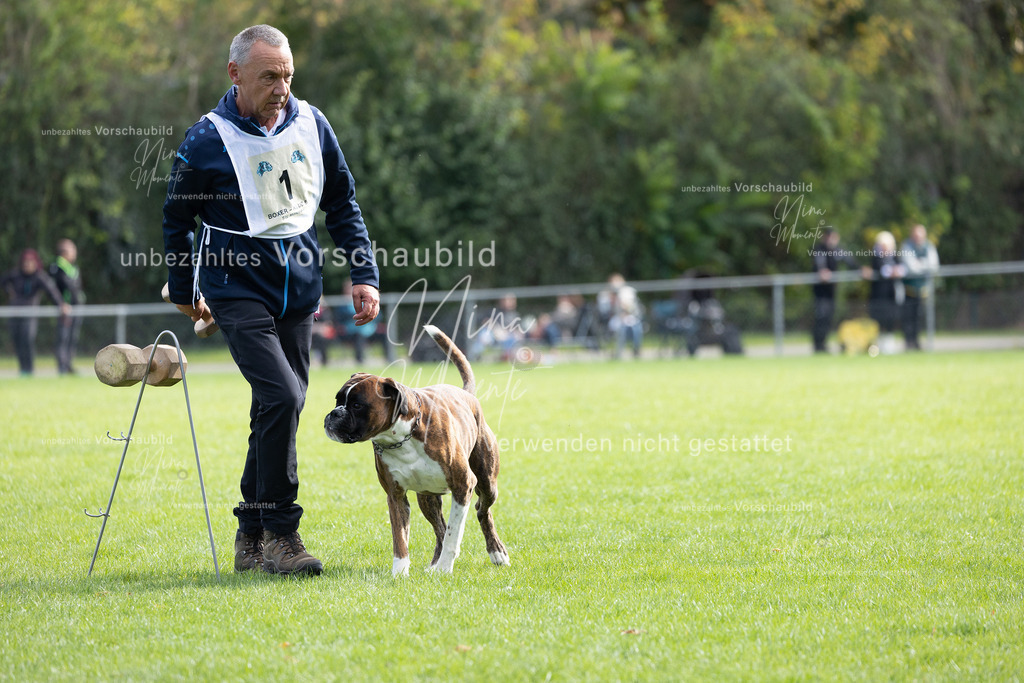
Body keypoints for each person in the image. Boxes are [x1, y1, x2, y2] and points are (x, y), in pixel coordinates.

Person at [162, 25, 380, 576]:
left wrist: (364, 272)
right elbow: (176, 221)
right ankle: (283, 535)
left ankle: (249, 533)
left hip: (299, 288)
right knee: (283, 396)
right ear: (235, 75)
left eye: (287, 74)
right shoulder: (205, 139)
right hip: (234, 287)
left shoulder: (313, 123)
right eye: (268, 76)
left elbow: (341, 203)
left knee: (277, 407)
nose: (281, 86)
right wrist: (188, 292)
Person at [2, 249, 69, 376]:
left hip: (30, 314)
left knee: (27, 340)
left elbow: (52, 291)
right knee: (17, 341)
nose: (27, 265)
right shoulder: (15, 275)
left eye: (30, 262)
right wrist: (9, 292)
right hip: (15, 313)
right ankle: (23, 369)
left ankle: (29, 369)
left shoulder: (39, 276)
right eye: (25, 262)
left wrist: (61, 304)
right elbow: (3, 282)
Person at [810, 228, 869, 353]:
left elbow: (850, 261)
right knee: (821, 317)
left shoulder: (837, 250)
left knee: (829, 317)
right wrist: (822, 271)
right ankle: (818, 345)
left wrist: (860, 269)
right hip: (820, 292)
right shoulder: (819, 250)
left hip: (831, 291)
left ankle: (823, 344)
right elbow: (819, 264)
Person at [900, 224, 940, 350]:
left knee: (921, 319)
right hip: (909, 290)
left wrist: (919, 264)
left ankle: (918, 343)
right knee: (908, 318)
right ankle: (909, 342)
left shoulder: (929, 246)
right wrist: (924, 265)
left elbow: (934, 266)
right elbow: (911, 267)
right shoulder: (907, 246)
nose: (918, 238)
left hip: (923, 291)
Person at [49, 239, 85, 374]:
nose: (74, 253)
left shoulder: (72, 267)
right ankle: (62, 367)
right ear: (64, 252)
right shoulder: (57, 267)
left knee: (72, 338)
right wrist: (61, 304)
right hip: (65, 309)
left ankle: (68, 364)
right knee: (63, 338)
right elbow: (56, 289)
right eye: (72, 250)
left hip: (75, 309)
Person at [867, 231, 904, 354]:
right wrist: (892, 272)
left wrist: (897, 271)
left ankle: (888, 346)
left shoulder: (894, 256)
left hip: (891, 294)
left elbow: (902, 268)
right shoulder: (876, 257)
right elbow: (882, 270)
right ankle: (878, 346)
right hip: (878, 295)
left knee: (890, 320)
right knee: (879, 321)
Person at [598, 273, 644, 359]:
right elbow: (604, 312)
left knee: (636, 327)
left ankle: (636, 349)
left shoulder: (628, 292)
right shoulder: (605, 295)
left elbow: (633, 309)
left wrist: (624, 304)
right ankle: (619, 352)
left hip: (628, 317)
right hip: (613, 319)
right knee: (620, 327)